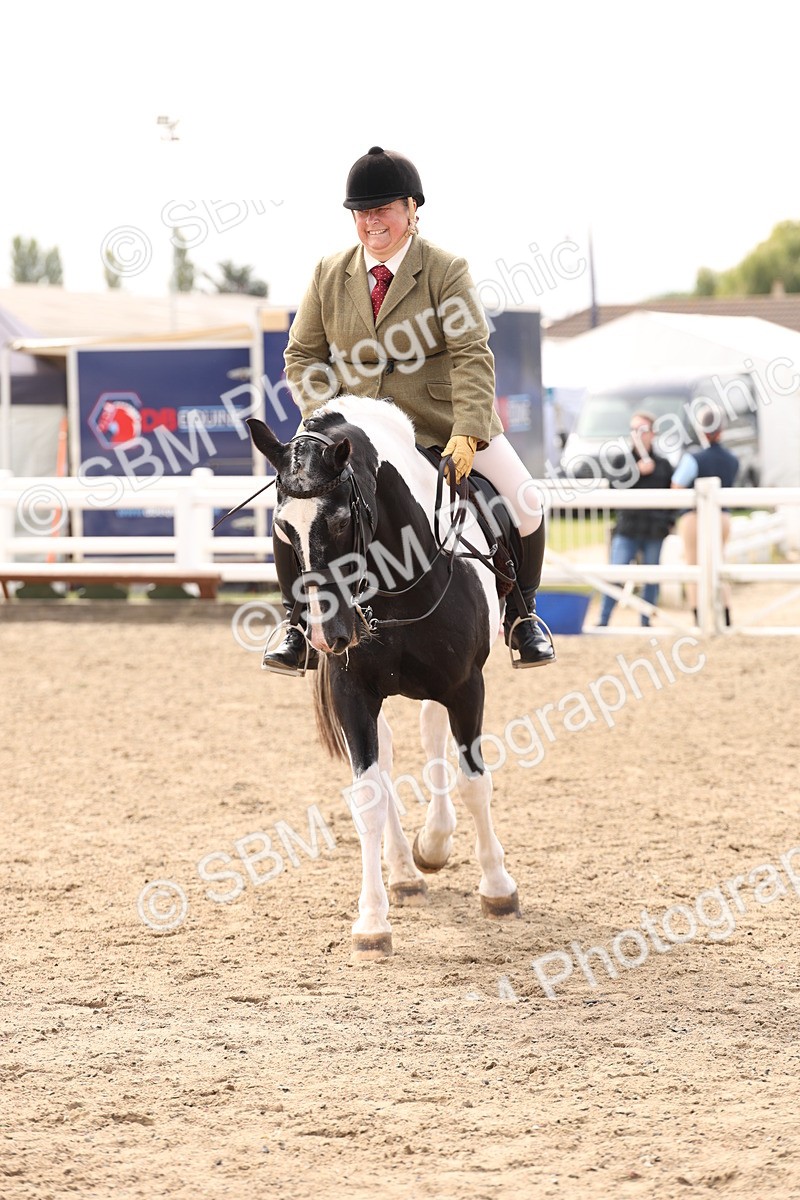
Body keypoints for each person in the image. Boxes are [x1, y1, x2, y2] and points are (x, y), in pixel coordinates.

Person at [265, 145, 555, 674]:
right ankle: (295, 625)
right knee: (294, 511)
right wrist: (329, 415)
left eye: (383, 209)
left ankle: (522, 615)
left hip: (441, 424)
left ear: (411, 209)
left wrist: (468, 433)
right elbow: (301, 355)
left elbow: (471, 353)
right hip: (356, 434)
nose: (372, 221)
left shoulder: (445, 270)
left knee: (528, 500)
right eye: (362, 211)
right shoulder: (329, 273)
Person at [596, 411, 674, 628]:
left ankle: (645, 621)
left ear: (653, 433)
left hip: (654, 530)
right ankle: (603, 621)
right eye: (633, 430)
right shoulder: (622, 461)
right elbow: (612, 488)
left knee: (651, 578)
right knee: (616, 574)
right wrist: (636, 471)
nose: (637, 435)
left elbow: (673, 493)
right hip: (627, 529)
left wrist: (669, 522)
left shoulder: (664, 464)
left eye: (642, 430)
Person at [671, 405, 739, 626]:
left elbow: (677, 487)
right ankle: (726, 614)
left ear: (702, 431)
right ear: (721, 430)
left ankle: (698, 615)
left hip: (694, 517)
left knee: (693, 564)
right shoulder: (732, 459)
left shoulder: (694, 458)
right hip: (723, 517)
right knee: (719, 560)